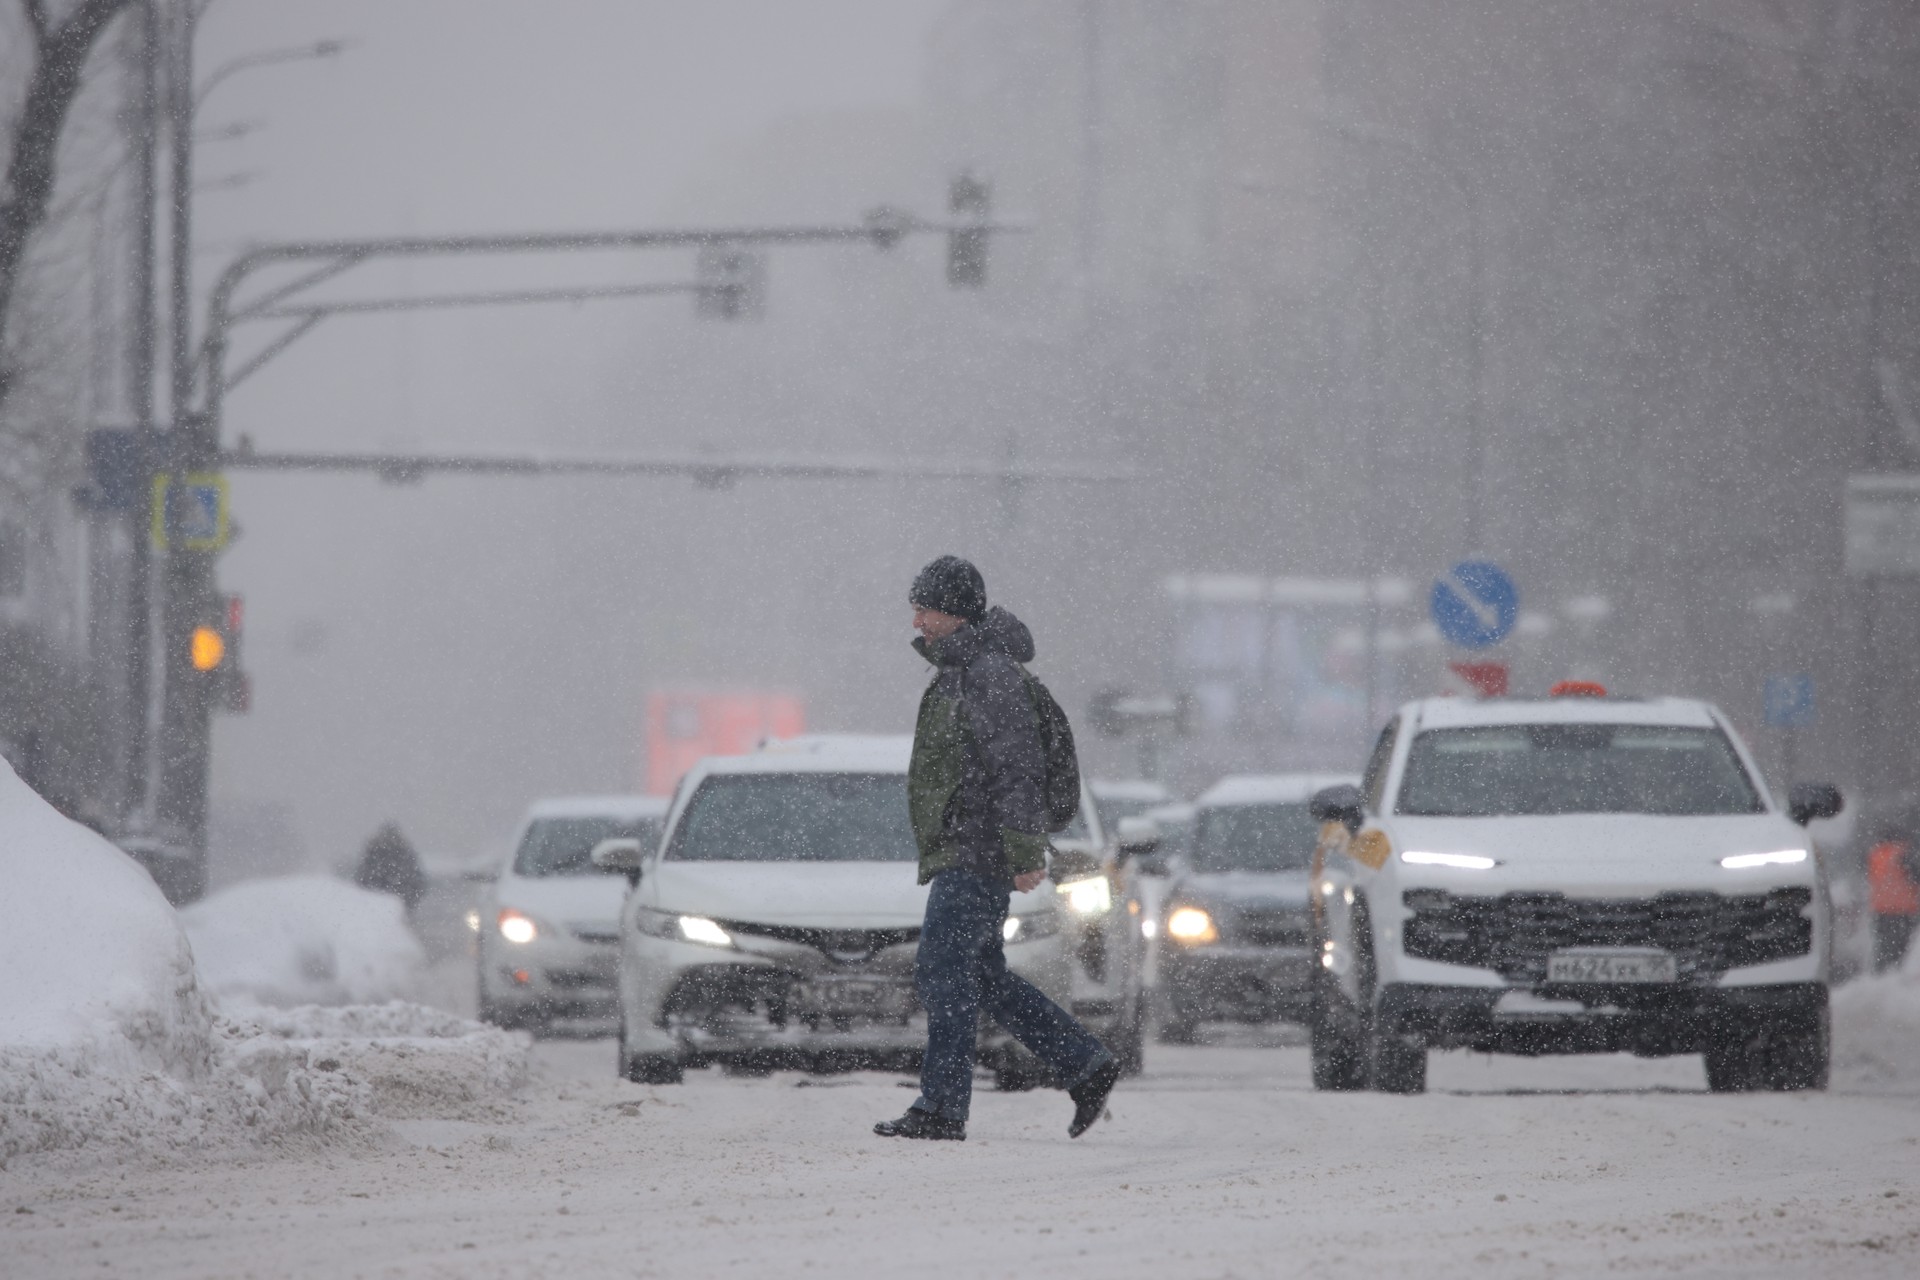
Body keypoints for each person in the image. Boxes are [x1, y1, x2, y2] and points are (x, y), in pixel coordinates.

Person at [874, 556, 1120, 1142]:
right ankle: (1085, 1064)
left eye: (925, 608)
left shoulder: (989, 675)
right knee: (978, 975)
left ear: (954, 612)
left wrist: (1023, 851)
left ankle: (942, 1107)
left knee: (943, 971)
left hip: (976, 850)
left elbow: (1017, 768)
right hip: (971, 845)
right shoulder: (964, 671)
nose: (916, 619)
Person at [1868, 801, 1920, 971]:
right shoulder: (1905, 853)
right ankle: (1897, 975)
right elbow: (1915, 877)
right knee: (1903, 949)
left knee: (1884, 946)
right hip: (1905, 909)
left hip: (1881, 909)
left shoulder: (1876, 853)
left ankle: (1882, 974)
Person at [353, 821, 427, 913]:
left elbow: (363, 873)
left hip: (377, 892)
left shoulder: (374, 849)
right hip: (400, 891)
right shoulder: (404, 849)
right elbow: (416, 876)